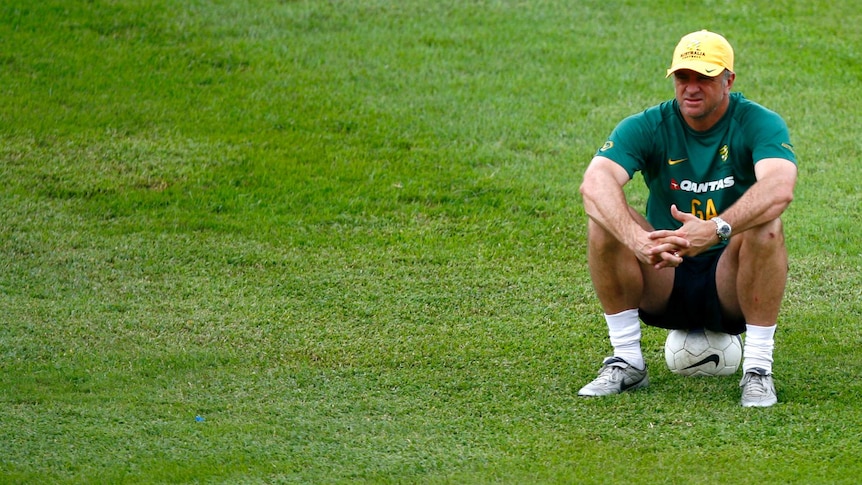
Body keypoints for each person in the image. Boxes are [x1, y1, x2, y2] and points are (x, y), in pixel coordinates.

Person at [577, 30, 797, 407]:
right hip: (664, 272)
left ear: (729, 80)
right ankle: (626, 359)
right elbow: (595, 183)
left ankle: (758, 369)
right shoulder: (649, 125)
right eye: (683, 77)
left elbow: (779, 186)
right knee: (605, 220)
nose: (691, 88)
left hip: (732, 282)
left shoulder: (759, 122)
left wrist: (715, 230)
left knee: (767, 225)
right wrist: (636, 239)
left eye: (704, 78)